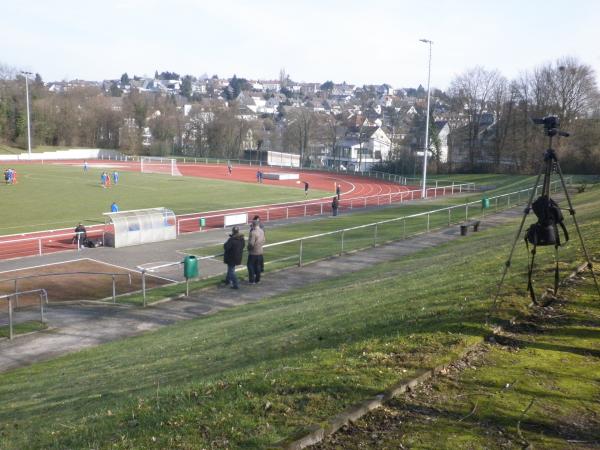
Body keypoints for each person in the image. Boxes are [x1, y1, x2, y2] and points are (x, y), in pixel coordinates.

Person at [247, 219, 266, 284]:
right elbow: (264, 240)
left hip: (253, 253)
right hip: (260, 251)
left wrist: (249, 248)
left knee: (250, 266)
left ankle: (252, 280)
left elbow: (251, 243)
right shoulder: (262, 231)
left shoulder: (253, 232)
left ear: (253, 225)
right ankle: (258, 280)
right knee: (258, 266)